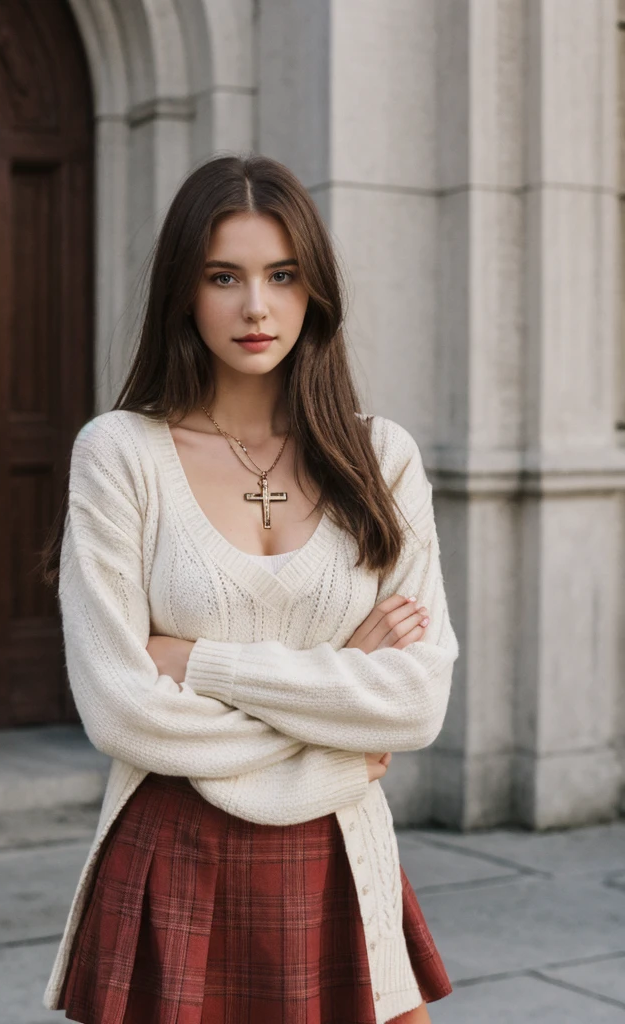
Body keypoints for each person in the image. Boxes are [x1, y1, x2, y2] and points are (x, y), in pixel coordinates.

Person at [40, 153, 459, 1023]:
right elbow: (123, 709)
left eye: (282, 275)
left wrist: (198, 662)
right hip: (172, 855)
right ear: (183, 293)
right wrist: (340, 723)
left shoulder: (382, 459)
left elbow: (416, 706)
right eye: (223, 276)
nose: (256, 307)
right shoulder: (120, 455)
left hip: (344, 856)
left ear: (316, 292)